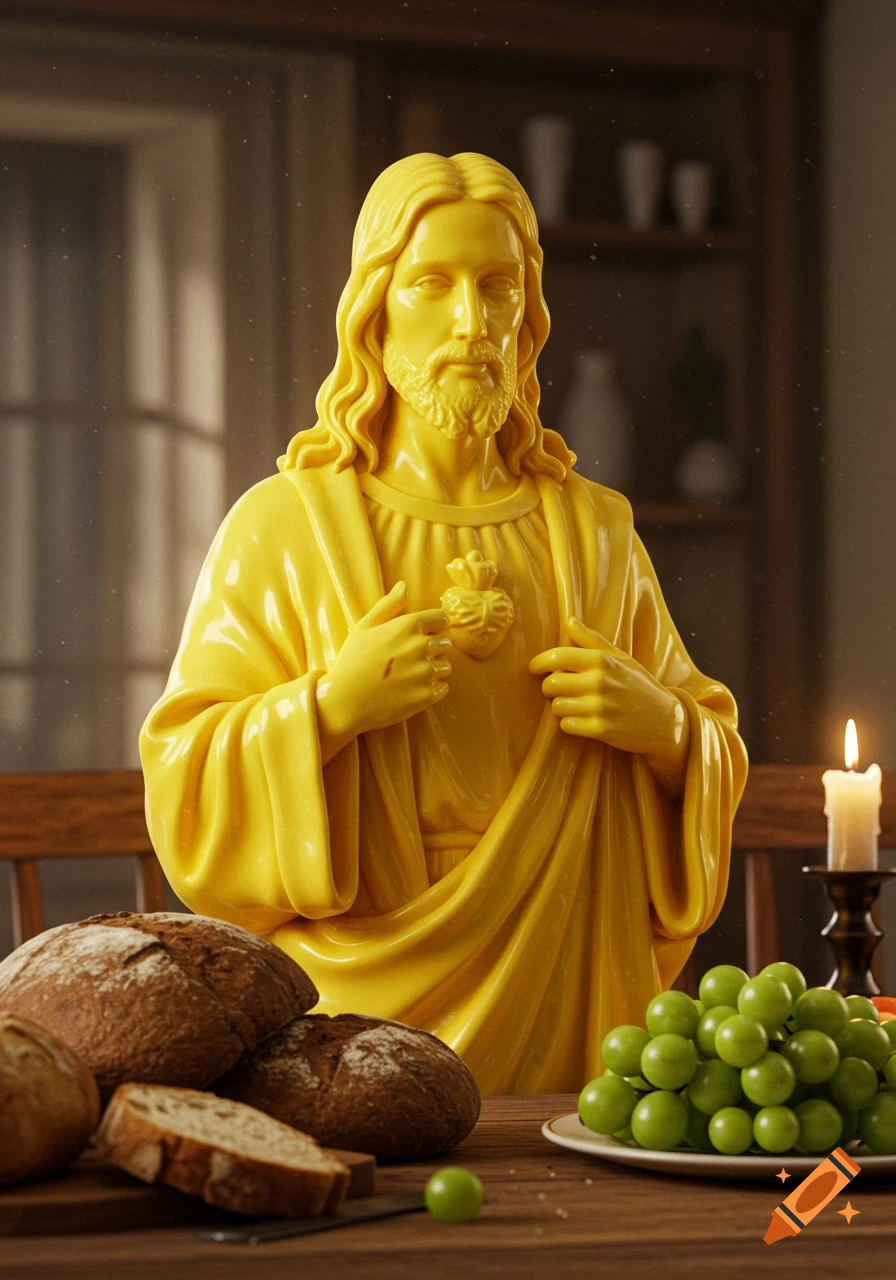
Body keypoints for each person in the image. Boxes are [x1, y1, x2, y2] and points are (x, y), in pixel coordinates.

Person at [140, 152, 747, 1095]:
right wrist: (331, 708)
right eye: (434, 283)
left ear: (527, 320)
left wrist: (665, 730)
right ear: (375, 316)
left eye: (497, 287)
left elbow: (704, 733)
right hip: (354, 1014)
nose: (471, 322)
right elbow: (185, 765)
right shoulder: (285, 526)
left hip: (565, 971)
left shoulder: (593, 531)